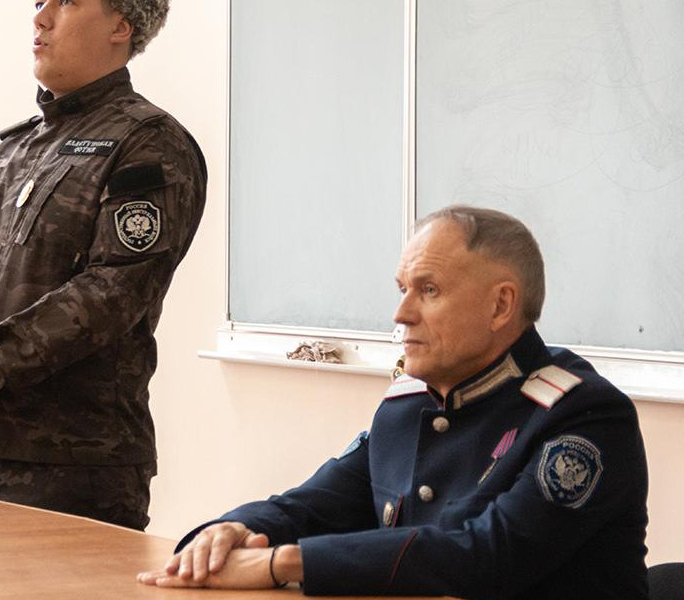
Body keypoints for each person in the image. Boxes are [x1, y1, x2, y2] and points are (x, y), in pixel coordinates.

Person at [138, 205, 648, 599]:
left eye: (429, 290)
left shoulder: (585, 415)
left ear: (501, 305)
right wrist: (230, 532)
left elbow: (487, 557)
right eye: (402, 289)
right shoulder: (407, 405)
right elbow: (311, 504)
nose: (401, 313)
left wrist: (286, 563)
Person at [0, 0, 207, 530]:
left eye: (65, 2)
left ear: (120, 26)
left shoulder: (148, 143)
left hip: (79, 467)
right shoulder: (12, 149)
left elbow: (113, 291)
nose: (40, 19)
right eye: (38, 2)